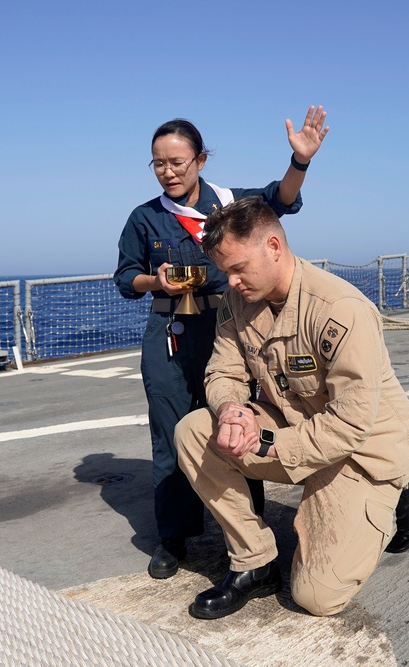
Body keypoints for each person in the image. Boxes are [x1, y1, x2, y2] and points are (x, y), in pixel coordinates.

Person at [174, 196, 409, 619]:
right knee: (195, 431)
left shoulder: (341, 310)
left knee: (317, 597)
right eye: (224, 271)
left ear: (273, 246)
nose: (230, 282)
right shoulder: (238, 302)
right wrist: (233, 412)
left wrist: (266, 444)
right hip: (294, 427)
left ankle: (396, 491)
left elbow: (348, 425)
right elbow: (223, 372)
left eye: (237, 269)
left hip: (360, 453)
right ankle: (255, 561)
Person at [113, 106, 331, 580]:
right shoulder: (144, 218)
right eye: (159, 164)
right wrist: (155, 281)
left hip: (229, 329)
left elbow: (281, 199)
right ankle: (173, 536)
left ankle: (249, 531)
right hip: (169, 334)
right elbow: (124, 277)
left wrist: (300, 162)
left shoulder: (230, 204)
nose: (168, 172)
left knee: (237, 423)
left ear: (201, 161)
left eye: (178, 162)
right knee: (170, 432)